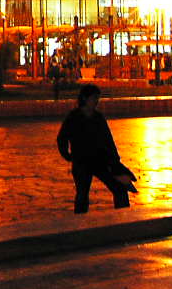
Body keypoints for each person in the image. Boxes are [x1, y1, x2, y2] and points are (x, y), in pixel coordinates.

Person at [56, 83, 136, 211]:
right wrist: (68, 155)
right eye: (94, 98)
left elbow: (108, 140)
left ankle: (122, 219)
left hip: (100, 161)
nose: (96, 102)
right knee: (82, 195)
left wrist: (115, 161)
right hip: (82, 162)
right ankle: (81, 224)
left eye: (97, 98)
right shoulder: (74, 117)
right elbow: (62, 137)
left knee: (119, 189)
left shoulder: (98, 118)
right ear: (85, 99)